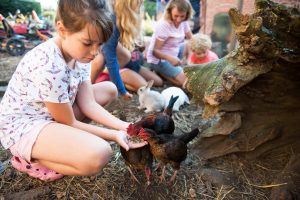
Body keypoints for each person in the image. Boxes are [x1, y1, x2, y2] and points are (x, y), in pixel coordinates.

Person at [0, 0, 146, 181]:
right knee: (99, 154)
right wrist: (114, 135)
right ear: (62, 30)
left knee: (109, 89)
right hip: (25, 127)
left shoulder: (79, 55)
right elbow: (68, 121)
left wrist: (125, 126)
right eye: (88, 43)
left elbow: (89, 104)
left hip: (51, 114)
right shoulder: (50, 65)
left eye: (100, 44)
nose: (95, 52)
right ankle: (32, 160)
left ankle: (58, 147)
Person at [91, 0, 163, 99]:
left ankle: (122, 80)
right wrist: (122, 91)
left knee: (158, 82)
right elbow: (111, 59)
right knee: (144, 87)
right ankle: (112, 79)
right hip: (118, 67)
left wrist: (140, 49)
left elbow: (134, 52)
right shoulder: (112, 22)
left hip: (133, 66)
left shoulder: (131, 20)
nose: (141, 1)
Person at [147, 0, 193, 87]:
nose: (179, 19)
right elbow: (155, 51)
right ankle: (161, 73)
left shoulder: (184, 22)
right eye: (176, 16)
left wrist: (190, 59)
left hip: (174, 51)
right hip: (158, 59)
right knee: (185, 82)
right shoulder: (163, 24)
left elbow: (192, 39)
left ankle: (182, 67)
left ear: (187, 14)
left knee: (189, 44)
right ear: (169, 12)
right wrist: (170, 59)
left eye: (182, 16)